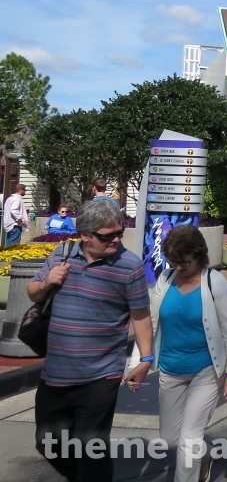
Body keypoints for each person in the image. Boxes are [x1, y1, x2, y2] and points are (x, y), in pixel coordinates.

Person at [30, 198, 153, 482]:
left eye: (119, 232)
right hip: (56, 373)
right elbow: (33, 292)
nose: (116, 239)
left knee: (90, 448)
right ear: (85, 235)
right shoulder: (62, 255)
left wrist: (145, 358)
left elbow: (141, 316)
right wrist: (48, 283)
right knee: (47, 443)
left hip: (101, 375)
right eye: (108, 235)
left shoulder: (129, 266)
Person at [152, 226, 227, 482]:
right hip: (170, 369)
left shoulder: (215, 282)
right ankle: (205, 456)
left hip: (206, 369)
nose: (178, 267)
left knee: (189, 440)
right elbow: (152, 323)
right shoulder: (165, 279)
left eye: (184, 262)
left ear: (200, 256)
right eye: (173, 261)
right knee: (170, 439)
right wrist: (141, 361)